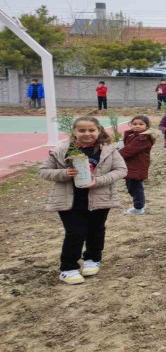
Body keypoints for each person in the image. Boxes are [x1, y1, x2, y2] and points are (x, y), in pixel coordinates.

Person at [39, 116, 127, 284]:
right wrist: (64, 174)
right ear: (74, 132)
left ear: (99, 131)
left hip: (99, 199)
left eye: (91, 130)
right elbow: (43, 171)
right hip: (70, 201)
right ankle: (68, 268)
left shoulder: (108, 150)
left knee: (96, 230)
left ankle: (92, 259)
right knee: (75, 232)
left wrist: (98, 181)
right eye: (82, 130)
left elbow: (121, 170)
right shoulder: (62, 150)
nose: (87, 134)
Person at [120, 115, 156, 215]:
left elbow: (128, 151)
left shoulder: (143, 138)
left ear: (147, 126)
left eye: (141, 124)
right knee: (131, 186)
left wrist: (114, 156)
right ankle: (140, 204)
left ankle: (138, 207)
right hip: (131, 165)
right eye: (134, 124)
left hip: (138, 165)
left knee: (135, 187)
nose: (137, 126)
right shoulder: (133, 135)